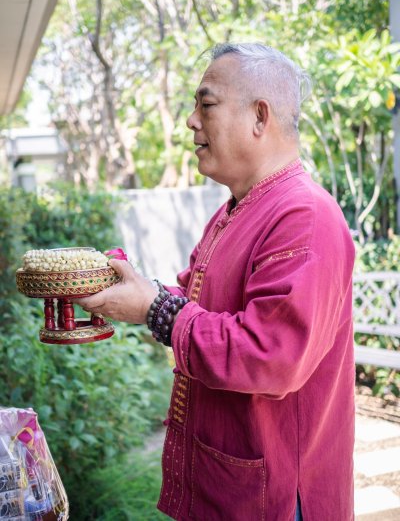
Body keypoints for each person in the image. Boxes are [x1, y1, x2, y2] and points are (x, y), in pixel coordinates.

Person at [76, 43, 355, 521]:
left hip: (277, 499)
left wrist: (155, 308)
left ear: (259, 116)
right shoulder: (236, 210)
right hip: (229, 486)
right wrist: (134, 289)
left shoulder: (304, 216)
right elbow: (195, 306)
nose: (190, 121)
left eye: (206, 105)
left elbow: (270, 355)